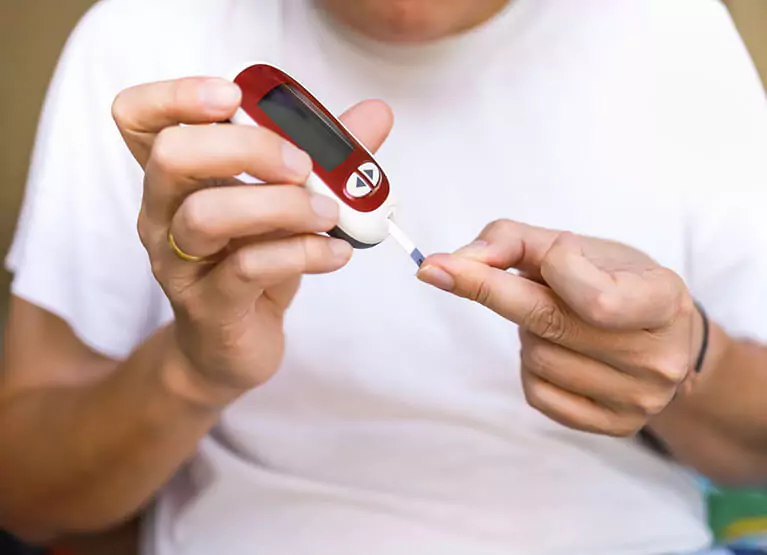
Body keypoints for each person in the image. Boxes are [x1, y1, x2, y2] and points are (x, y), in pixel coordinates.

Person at [1, 0, 767, 554]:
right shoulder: (141, 41)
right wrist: (194, 369)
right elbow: (26, 495)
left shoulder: (674, 30)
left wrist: (688, 354)